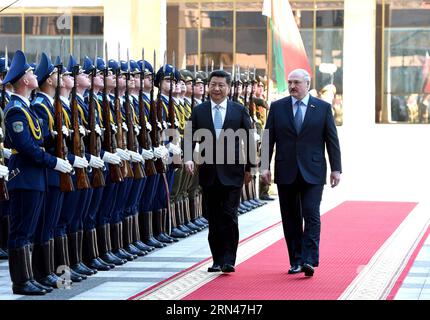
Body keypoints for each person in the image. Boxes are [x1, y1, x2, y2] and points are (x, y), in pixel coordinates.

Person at [261, 68, 341, 277]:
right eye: (290, 82)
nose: (292, 86)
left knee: (311, 214)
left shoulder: (322, 108)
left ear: (307, 84)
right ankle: (296, 260)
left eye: (297, 82)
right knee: (290, 218)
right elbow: (268, 139)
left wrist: (336, 169)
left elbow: (332, 140)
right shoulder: (278, 107)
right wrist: (263, 166)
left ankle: (309, 260)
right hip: (286, 170)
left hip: (313, 171)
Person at [185, 70, 255, 273]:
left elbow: (248, 139)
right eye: (213, 84)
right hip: (209, 172)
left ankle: (228, 260)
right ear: (209, 86)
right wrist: (188, 157)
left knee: (229, 215)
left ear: (229, 88)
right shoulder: (199, 111)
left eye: (221, 85)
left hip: (233, 172)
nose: (216, 88)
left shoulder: (238, 110)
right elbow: (189, 137)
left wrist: (250, 168)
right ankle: (216, 259)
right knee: (213, 217)